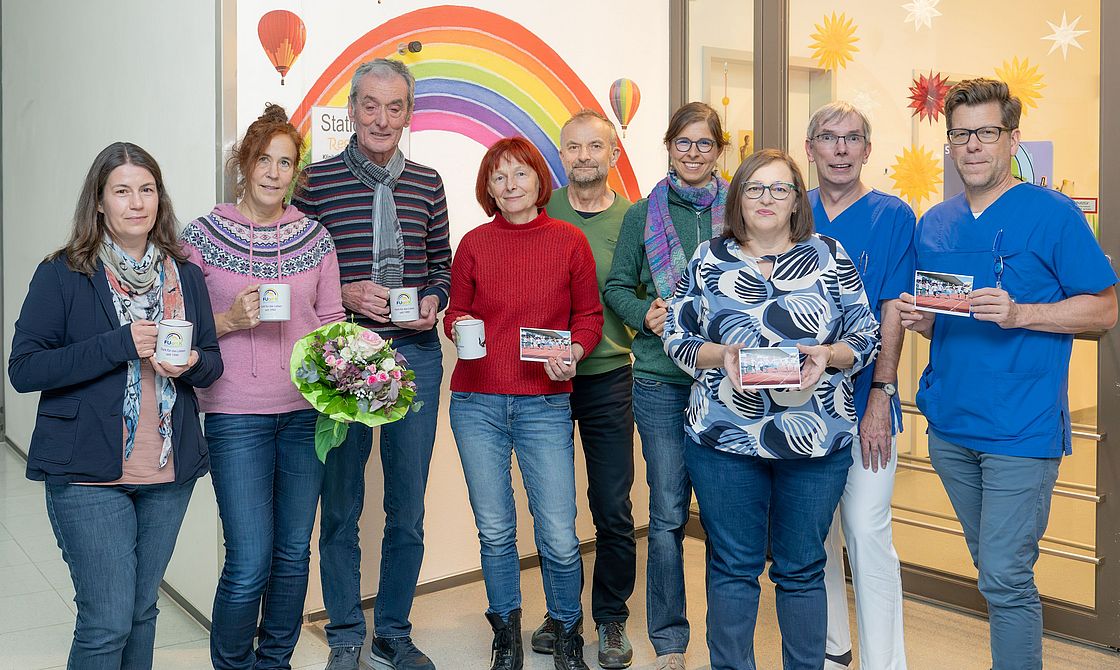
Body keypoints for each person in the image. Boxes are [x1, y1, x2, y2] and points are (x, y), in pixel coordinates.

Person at [897, 78, 1118, 670]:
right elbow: (943, 310)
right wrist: (925, 321)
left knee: (1004, 574)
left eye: (986, 133)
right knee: (996, 569)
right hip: (949, 430)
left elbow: (1104, 306)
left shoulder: (1053, 214)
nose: (972, 146)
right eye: (960, 134)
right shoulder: (934, 224)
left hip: (1020, 432)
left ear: (1011, 139)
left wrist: (1022, 313)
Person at [8, 142, 223, 669]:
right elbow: (25, 369)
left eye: (146, 190)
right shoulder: (63, 273)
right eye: (121, 191)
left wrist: (190, 363)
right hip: (86, 473)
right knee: (106, 621)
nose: (136, 203)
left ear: (159, 199)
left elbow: (213, 364)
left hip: (166, 471)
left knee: (143, 610)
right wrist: (120, 344)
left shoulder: (186, 276)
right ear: (99, 202)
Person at [663, 148, 880, 670]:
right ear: (737, 196)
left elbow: (865, 336)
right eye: (755, 187)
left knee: (802, 567)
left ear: (795, 201)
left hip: (815, 439)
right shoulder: (708, 258)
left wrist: (827, 356)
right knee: (734, 566)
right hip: (725, 439)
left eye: (780, 188)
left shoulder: (829, 254)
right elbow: (676, 334)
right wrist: (722, 355)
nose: (766, 198)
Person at [292, 58, 451, 670]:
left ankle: (392, 630)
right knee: (340, 506)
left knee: (406, 508)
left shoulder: (429, 183)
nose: (382, 119)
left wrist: (432, 302)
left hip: (413, 355)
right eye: (370, 105)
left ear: (409, 114)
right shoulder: (316, 182)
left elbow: (441, 268)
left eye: (395, 107)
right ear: (352, 109)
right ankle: (344, 635)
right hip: (345, 357)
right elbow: (300, 274)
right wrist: (346, 297)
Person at [180, 104, 346, 669]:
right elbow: (181, 323)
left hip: (305, 414)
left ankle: (275, 661)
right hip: (234, 415)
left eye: (286, 163)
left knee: (293, 553)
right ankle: (232, 663)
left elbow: (330, 321)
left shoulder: (315, 238)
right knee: (249, 560)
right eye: (264, 161)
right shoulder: (201, 234)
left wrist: (347, 386)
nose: (274, 173)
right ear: (243, 165)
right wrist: (229, 321)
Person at [444, 136, 603, 670]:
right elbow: (455, 311)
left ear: (539, 180)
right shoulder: (473, 243)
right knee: (495, 530)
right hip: (477, 402)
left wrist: (575, 351)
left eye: (519, 175)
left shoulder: (568, 241)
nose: (509, 186)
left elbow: (589, 317)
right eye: (498, 177)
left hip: (544, 402)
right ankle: (506, 636)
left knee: (558, 533)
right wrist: (458, 324)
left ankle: (567, 634)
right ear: (487, 186)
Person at [602, 101, 729, 670]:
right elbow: (617, 286)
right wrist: (643, 316)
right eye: (684, 143)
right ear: (669, 147)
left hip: (731, 381)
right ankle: (671, 643)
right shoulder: (642, 213)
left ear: (720, 151)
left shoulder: (746, 209)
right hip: (660, 382)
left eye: (705, 143)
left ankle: (729, 638)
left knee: (727, 514)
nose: (694, 153)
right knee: (669, 514)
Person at [804, 101, 915, 670]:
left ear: (868, 150)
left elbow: (894, 305)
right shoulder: (790, 210)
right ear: (811, 149)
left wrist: (882, 394)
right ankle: (831, 647)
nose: (841, 149)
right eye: (829, 137)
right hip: (797, 407)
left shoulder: (892, 215)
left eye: (852, 139)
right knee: (812, 537)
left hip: (868, 401)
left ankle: (885, 662)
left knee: (867, 533)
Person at [532, 109, 636, 669]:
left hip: (607, 378)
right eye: (573, 147)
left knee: (612, 506)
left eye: (595, 147)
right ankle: (559, 611)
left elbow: (644, 296)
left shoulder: (635, 218)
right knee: (553, 507)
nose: (583, 156)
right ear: (561, 154)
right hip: (543, 380)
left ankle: (611, 617)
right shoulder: (539, 206)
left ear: (614, 155)